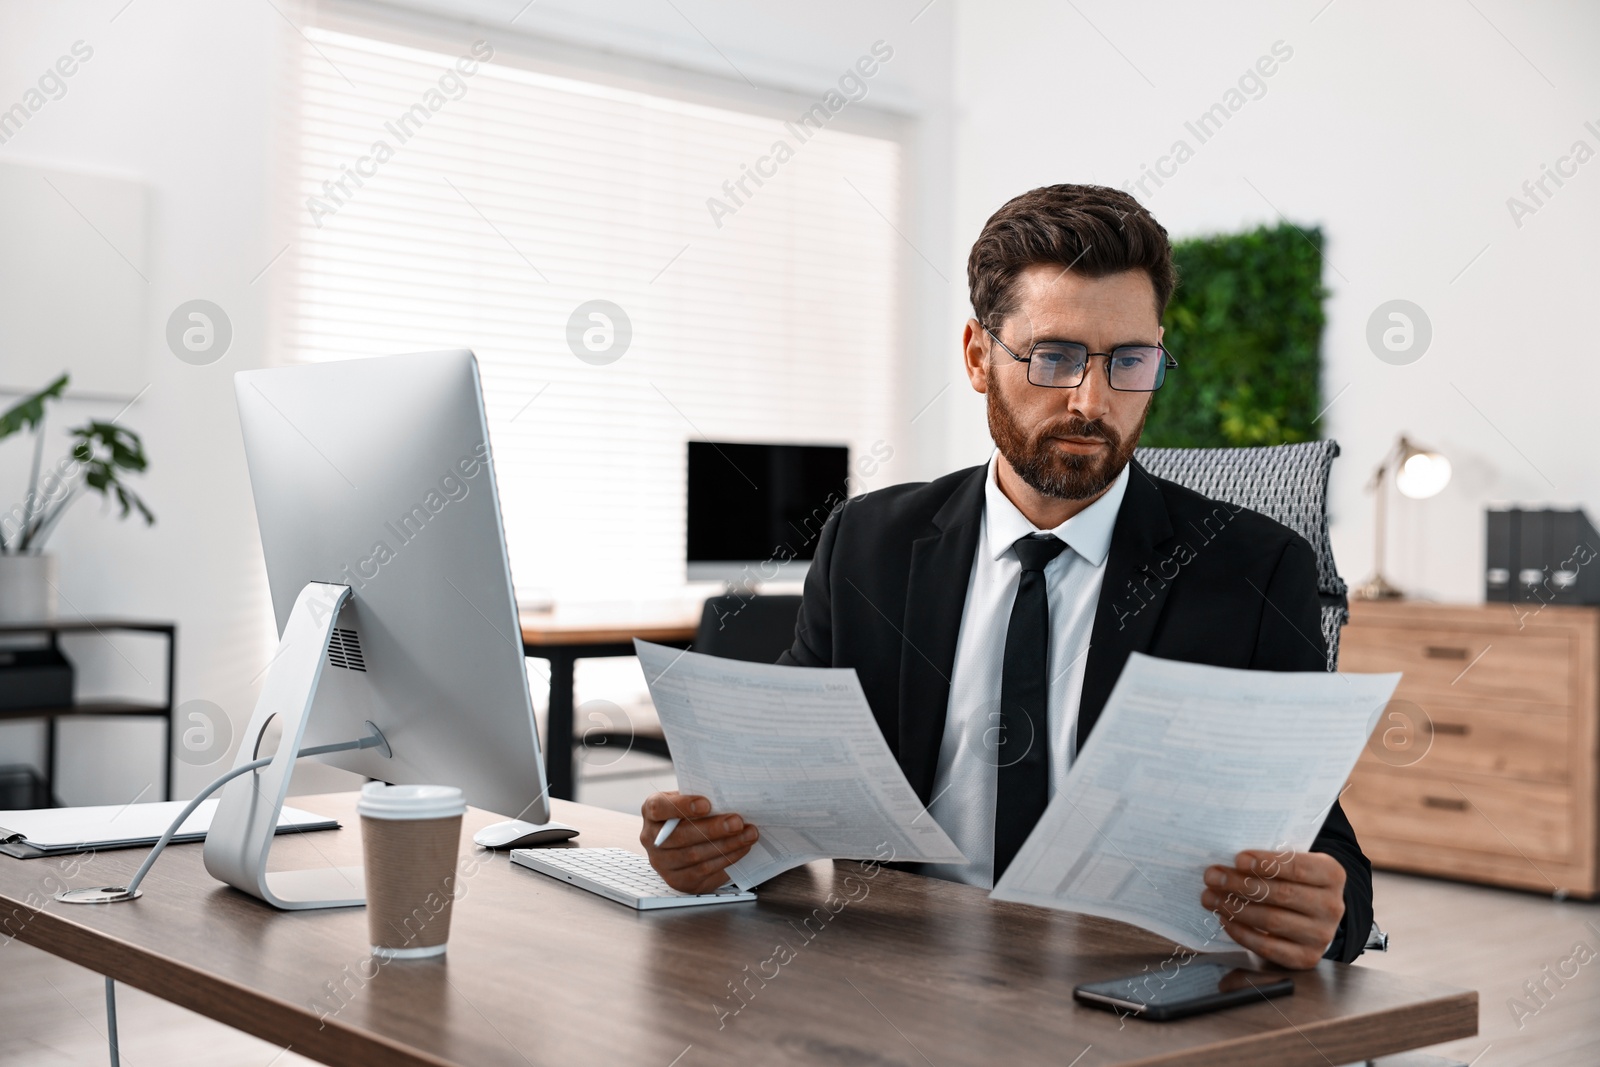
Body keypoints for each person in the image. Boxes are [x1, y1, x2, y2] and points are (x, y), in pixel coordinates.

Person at [640, 183, 1371, 969]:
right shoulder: (868, 546)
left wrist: (1325, 909)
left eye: (1131, 361)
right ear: (979, 357)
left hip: (1126, 988)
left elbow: (1322, 849)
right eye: (1054, 357)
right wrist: (707, 844)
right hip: (901, 975)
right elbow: (774, 799)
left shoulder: (1253, 569)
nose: (1092, 401)